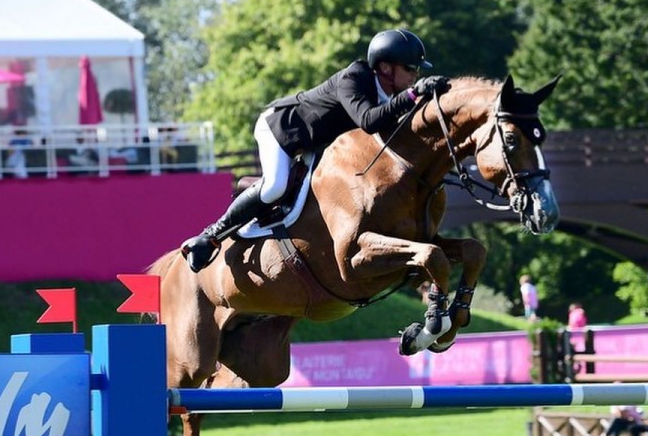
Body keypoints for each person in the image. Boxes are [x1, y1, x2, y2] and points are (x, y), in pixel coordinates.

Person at [180, 28, 448, 272]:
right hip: (281, 130)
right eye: (411, 68)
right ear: (386, 68)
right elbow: (369, 120)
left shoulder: (388, 95)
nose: (415, 75)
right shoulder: (355, 77)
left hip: (317, 145)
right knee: (275, 187)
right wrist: (412, 95)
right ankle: (210, 237)